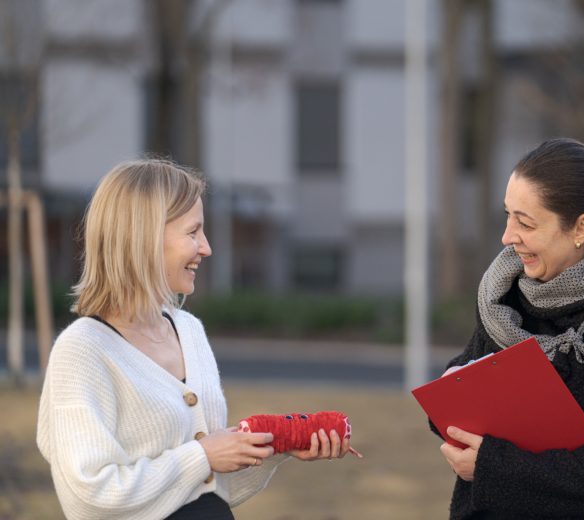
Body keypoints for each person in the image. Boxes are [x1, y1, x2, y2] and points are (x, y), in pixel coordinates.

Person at [37, 159, 351, 520]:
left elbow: (208, 483)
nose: (206, 248)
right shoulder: (82, 351)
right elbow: (89, 496)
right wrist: (202, 455)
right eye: (193, 233)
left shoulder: (189, 330)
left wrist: (277, 447)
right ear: (144, 238)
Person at [435, 138, 584, 519]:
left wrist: (493, 468)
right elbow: (468, 373)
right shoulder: (506, 294)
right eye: (508, 215)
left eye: (525, 222)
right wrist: (448, 400)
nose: (507, 236)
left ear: (581, 227)